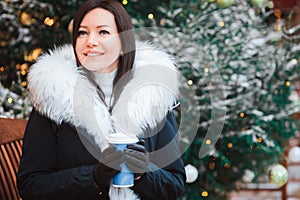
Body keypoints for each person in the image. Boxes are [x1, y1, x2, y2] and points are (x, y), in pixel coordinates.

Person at [17, 0, 186, 199]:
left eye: (103, 32)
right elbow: (30, 185)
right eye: (82, 33)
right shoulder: (53, 97)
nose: (90, 41)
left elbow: (175, 185)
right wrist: (93, 177)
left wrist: (143, 173)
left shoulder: (153, 95)